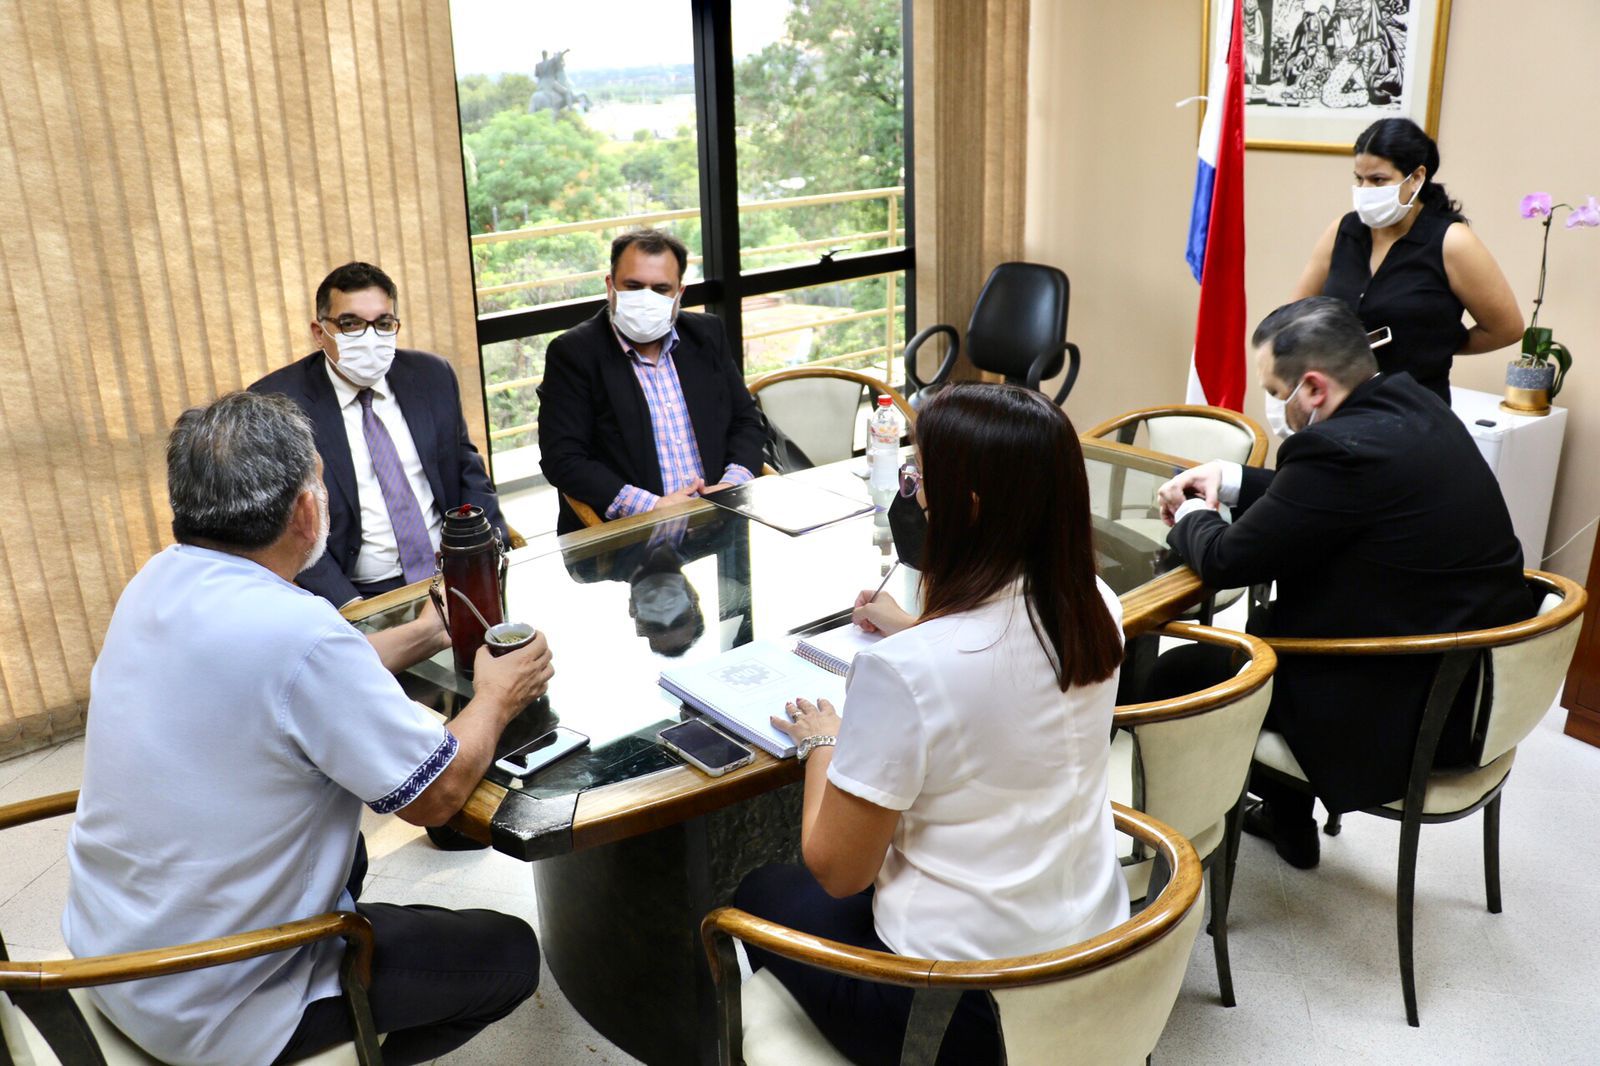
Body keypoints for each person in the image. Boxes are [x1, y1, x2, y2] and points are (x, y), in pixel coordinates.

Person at [63, 391, 552, 1065]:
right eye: (318, 482)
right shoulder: (301, 635)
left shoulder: (159, 579)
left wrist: (425, 631)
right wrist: (498, 696)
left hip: (115, 959)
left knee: (347, 854)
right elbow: (435, 798)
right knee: (509, 955)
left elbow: (290, 678)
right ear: (304, 509)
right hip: (220, 1001)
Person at [733, 384, 1129, 1066]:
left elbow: (839, 872)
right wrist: (912, 626)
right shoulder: (1094, 605)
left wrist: (823, 740)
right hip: (1094, 949)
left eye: (920, 483)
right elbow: (995, 670)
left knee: (761, 892)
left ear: (968, 510)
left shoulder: (906, 672)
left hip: (957, 1007)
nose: (911, 496)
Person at [1153, 297, 1533, 869]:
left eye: (1278, 394)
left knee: (1178, 672)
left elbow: (1228, 560)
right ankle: (1288, 823)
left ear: (1313, 388)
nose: (1277, 408)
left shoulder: (1335, 452)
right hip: (1472, 686)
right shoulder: (1413, 406)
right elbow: (1325, 499)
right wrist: (1229, 480)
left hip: (1405, 709)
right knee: (1272, 631)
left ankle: (1156, 847)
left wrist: (1189, 514)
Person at [251, 261, 505, 607]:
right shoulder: (275, 403)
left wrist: (487, 559)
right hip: (360, 593)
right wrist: (351, 606)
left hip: (453, 571)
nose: (370, 337)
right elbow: (285, 528)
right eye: (351, 323)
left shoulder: (432, 376)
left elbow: (469, 473)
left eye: (383, 323)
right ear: (319, 331)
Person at [537, 228, 766, 535]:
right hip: (631, 536)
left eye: (660, 289)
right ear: (610, 286)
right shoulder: (574, 353)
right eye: (633, 286)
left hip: (719, 521)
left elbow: (746, 420)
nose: (646, 298)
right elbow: (562, 459)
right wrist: (653, 507)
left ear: (679, 294)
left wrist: (730, 484)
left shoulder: (706, 334)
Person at [1291, 118, 1523, 406]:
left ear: (1415, 178)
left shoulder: (1453, 242)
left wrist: (1435, 346)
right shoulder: (1343, 230)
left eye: (1378, 180)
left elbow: (1506, 328)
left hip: (1412, 409)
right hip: (1338, 407)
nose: (1365, 190)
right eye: (1359, 179)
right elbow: (1296, 314)